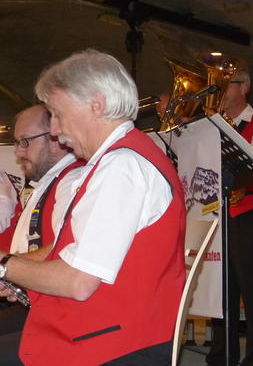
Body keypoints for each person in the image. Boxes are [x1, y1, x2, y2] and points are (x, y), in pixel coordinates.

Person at [0, 49, 186, 365]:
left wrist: (5, 265)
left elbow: (78, 282)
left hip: (114, 344)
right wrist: (17, 270)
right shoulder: (120, 159)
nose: (55, 129)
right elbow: (67, 249)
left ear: (96, 105)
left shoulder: (122, 166)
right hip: (109, 330)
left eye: (58, 114)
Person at [0, 104, 83, 364]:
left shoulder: (72, 181)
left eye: (25, 141)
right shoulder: (49, 182)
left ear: (56, 138)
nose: (18, 152)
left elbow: (61, 249)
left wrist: (7, 269)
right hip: (41, 303)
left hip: (66, 315)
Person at [206, 68, 253, 366]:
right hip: (218, 214)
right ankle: (222, 356)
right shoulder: (213, 125)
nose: (220, 90)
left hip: (250, 214)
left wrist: (223, 129)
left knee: (252, 290)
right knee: (221, 290)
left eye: (226, 84)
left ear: (245, 87)